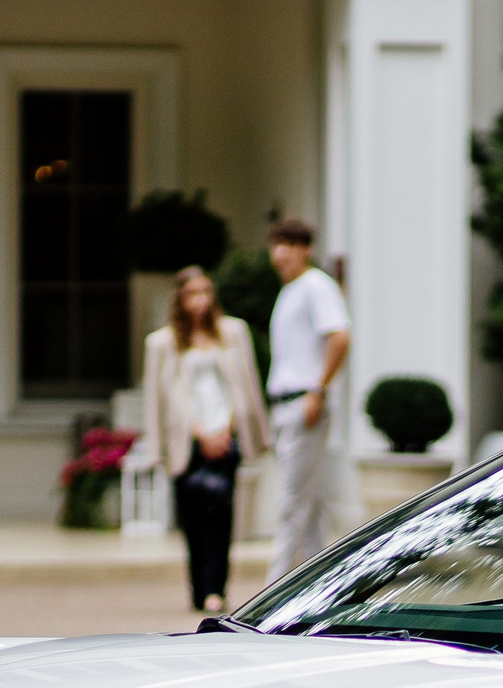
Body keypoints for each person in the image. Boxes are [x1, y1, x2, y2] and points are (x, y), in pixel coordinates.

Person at [143, 265, 273, 614]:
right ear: (180, 300)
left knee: (222, 517)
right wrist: (166, 445)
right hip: (187, 442)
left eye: (205, 292)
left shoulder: (233, 332)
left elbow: (247, 385)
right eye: (192, 294)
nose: (200, 300)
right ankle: (198, 590)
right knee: (193, 521)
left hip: (226, 436)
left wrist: (234, 429)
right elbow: (157, 399)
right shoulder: (162, 342)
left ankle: (217, 589)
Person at [264, 217, 349, 578]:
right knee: (308, 504)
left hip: (304, 403)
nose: (280, 253)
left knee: (291, 503)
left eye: (289, 245)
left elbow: (340, 337)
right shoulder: (290, 291)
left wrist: (318, 388)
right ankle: (321, 584)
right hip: (285, 404)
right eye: (276, 244)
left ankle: (272, 587)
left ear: (306, 249)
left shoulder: (316, 285)